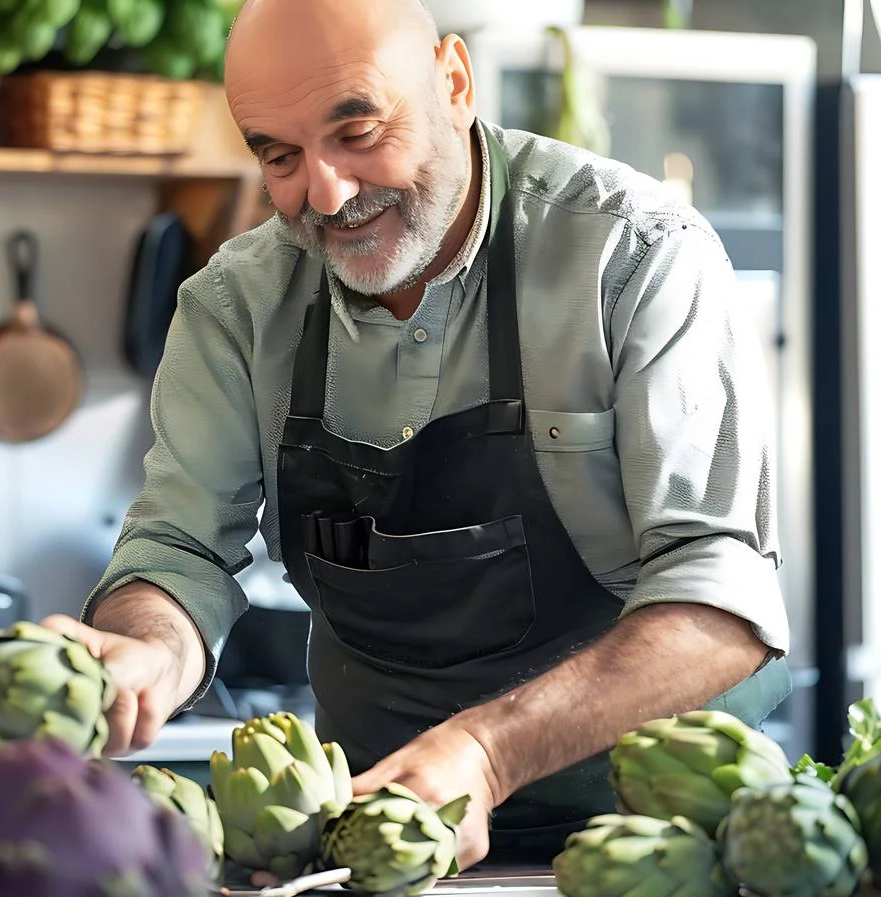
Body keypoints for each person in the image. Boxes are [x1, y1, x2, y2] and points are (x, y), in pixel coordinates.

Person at [42, 0, 793, 872]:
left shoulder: (634, 254)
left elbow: (719, 603)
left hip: (657, 843)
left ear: (454, 82)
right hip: (380, 845)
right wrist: (149, 648)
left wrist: (488, 751)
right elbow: (178, 551)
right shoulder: (235, 308)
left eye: (357, 129)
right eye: (279, 156)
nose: (326, 193)